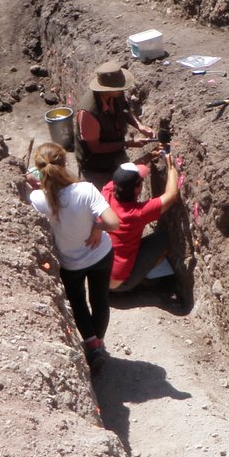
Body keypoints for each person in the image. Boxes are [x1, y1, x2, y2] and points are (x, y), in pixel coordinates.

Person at [27, 142, 120, 370]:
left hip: (70, 263)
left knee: (78, 302)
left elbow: (37, 194)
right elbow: (113, 223)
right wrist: (98, 227)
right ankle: (98, 340)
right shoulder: (85, 190)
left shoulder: (38, 199)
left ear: (39, 170)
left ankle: (91, 346)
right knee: (100, 300)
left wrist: (32, 185)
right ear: (65, 163)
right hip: (100, 255)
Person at [102, 154, 180, 292]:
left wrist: (150, 155)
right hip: (118, 285)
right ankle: (144, 280)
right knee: (162, 239)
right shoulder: (136, 213)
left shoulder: (106, 192)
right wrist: (171, 167)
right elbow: (172, 195)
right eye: (141, 180)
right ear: (137, 189)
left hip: (98, 276)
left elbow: (126, 174)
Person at [75, 61, 154, 184]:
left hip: (115, 154)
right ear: (105, 89)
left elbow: (124, 109)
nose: (122, 90)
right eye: (119, 88)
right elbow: (95, 147)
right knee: (107, 197)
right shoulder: (88, 113)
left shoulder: (116, 92)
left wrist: (139, 126)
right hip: (97, 167)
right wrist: (127, 143)